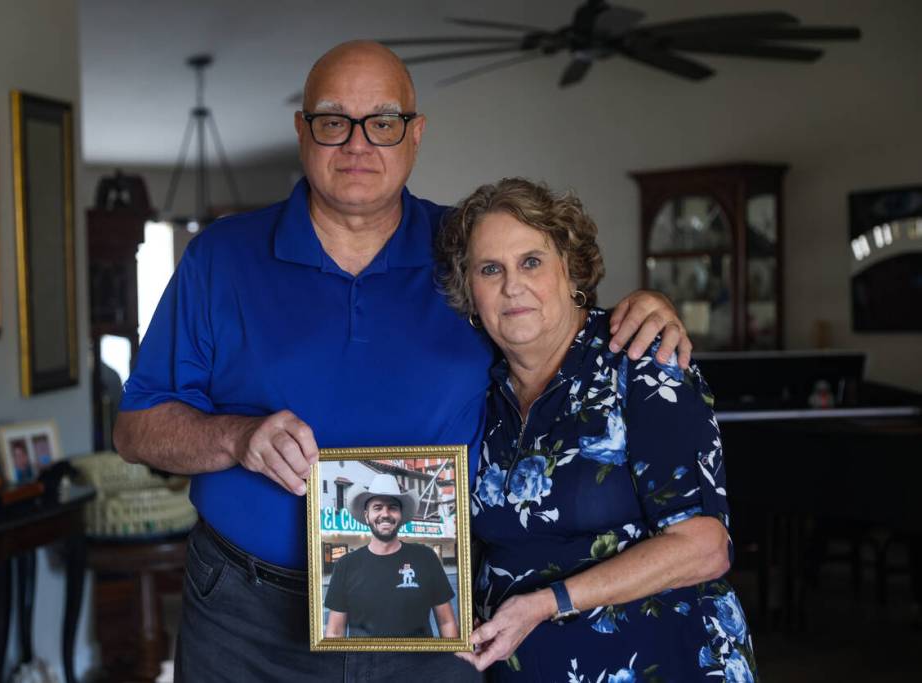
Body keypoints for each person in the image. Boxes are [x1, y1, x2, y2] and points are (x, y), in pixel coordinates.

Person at [113, 41, 692, 682]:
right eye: (333, 121)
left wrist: (642, 308)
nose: (357, 145)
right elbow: (136, 428)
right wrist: (236, 437)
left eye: (383, 122)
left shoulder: (469, 251)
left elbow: (557, 322)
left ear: (415, 135)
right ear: (302, 132)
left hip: (431, 613)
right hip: (247, 619)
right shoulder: (220, 259)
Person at [436, 178, 758, 682]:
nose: (512, 285)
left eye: (531, 262)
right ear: (469, 291)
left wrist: (548, 603)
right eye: (490, 269)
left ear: (571, 270)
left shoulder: (641, 360)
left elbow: (704, 546)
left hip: (664, 661)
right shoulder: (479, 393)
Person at [325, 473, 456, 638]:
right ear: (367, 516)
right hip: (363, 663)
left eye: (392, 507)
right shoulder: (346, 565)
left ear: (400, 515)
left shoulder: (426, 557)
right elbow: (335, 631)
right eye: (377, 507)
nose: (385, 514)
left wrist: (452, 661)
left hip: (421, 662)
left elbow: (446, 621)